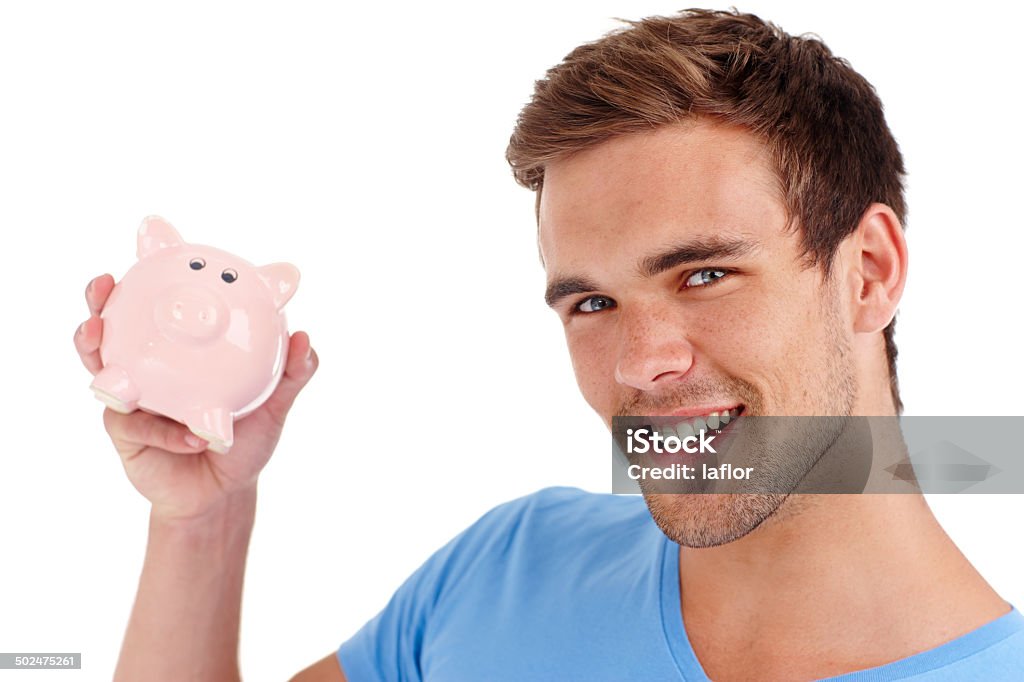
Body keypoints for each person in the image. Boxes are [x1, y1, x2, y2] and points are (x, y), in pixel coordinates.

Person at [74, 8, 1024, 681]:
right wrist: (203, 516)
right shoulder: (509, 566)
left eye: (705, 275)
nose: (639, 363)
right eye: (592, 303)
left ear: (868, 272)